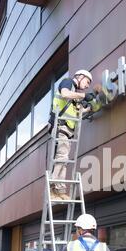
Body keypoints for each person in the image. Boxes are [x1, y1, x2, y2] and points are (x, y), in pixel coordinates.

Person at [50, 70, 94, 201]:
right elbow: (64, 94)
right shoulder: (68, 82)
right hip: (60, 127)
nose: (87, 85)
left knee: (64, 161)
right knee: (62, 158)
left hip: (67, 130)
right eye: (87, 81)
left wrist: (89, 107)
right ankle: (52, 188)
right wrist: (83, 96)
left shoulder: (74, 95)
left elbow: (78, 112)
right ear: (80, 77)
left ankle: (60, 190)